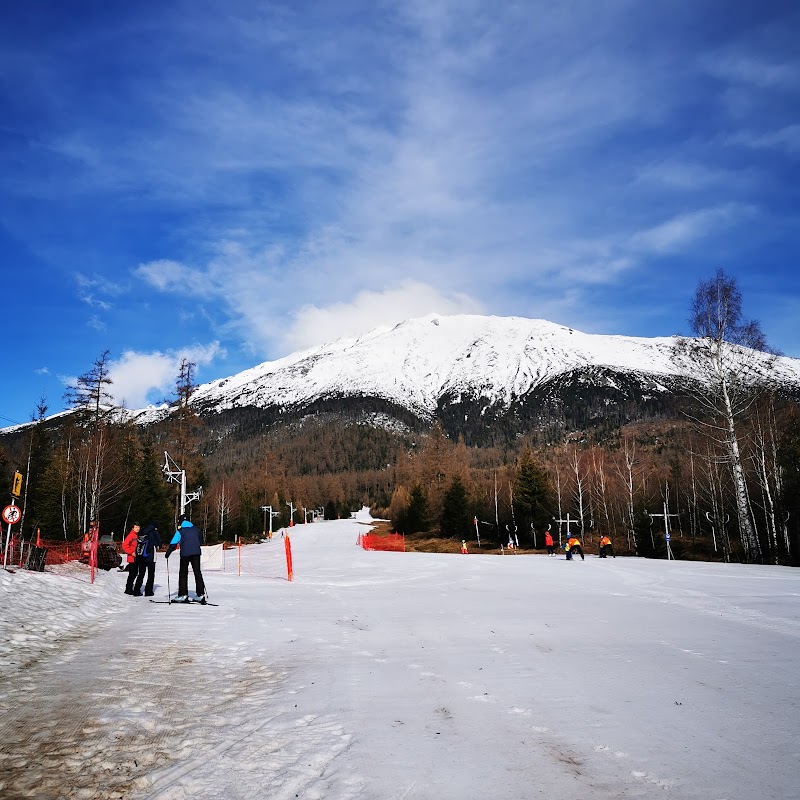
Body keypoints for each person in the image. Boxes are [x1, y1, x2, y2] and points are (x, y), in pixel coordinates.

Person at [165, 516, 206, 603]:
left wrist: (168, 553)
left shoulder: (180, 530)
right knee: (197, 572)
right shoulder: (196, 529)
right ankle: (200, 594)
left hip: (185, 554)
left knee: (183, 573)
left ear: (180, 522)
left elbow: (173, 542)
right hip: (196, 553)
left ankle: (183, 595)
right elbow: (200, 541)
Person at [132, 522, 162, 596]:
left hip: (141, 556)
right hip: (151, 556)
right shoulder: (154, 532)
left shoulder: (142, 531)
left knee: (141, 574)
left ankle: (136, 590)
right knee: (151, 574)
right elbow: (159, 543)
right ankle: (148, 591)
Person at [121, 522, 141, 594]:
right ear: (133, 528)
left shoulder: (136, 535)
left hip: (136, 557)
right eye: (136, 527)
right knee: (132, 573)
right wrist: (131, 552)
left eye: (138, 527)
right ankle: (128, 589)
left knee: (135, 573)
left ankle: (130, 588)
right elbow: (124, 545)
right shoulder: (131, 535)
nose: (137, 529)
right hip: (132, 558)